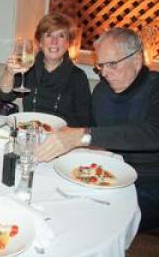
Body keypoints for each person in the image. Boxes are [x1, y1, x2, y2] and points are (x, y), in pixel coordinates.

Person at [35, 27, 159, 231]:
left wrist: (82, 136)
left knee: (90, 218)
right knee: (54, 194)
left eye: (112, 64)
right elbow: (97, 140)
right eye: (100, 66)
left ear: (136, 60)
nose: (105, 73)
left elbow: (153, 133)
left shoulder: (155, 87)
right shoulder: (102, 92)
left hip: (149, 183)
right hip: (107, 175)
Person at [0, 13, 91, 127]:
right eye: (48, 35)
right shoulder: (28, 68)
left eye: (61, 36)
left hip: (60, 139)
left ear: (68, 43)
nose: (54, 41)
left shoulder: (78, 77)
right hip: (29, 132)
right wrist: (9, 72)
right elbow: (4, 96)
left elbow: (85, 121)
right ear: (40, 42)